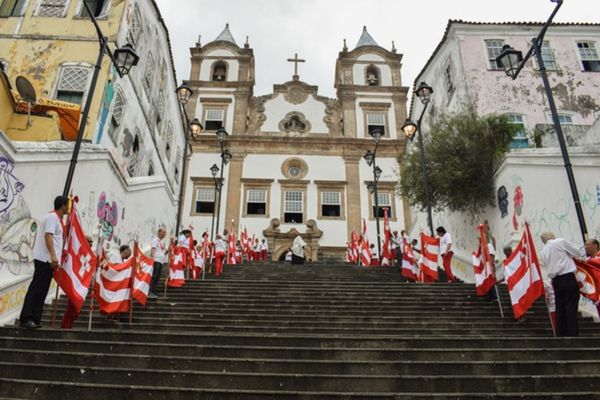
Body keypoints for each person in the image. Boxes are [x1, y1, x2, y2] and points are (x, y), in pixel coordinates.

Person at [19, 195, 68, 329]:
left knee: (42, 290)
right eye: (67, 205)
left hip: (48, 261)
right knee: (37, 288)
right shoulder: (52, 217)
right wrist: (53, 256)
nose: (68, 208)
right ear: (62, 205)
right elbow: (48, 235)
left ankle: (35, 318)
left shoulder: (56, 219)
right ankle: (27, 317)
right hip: (44, 259)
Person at [540, 232, 582, 337]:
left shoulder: (543, 251)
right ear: (552, 236)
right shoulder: (560, 242)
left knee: (560, 307)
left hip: (556, 281)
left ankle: (561, 332)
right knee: (571, 305)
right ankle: (572, 333)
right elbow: (577, 252)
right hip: (567, 276)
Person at [61, 234, 94, 330]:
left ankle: (69, 325)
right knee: (71, 308)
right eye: (89, 241)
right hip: (75, 284)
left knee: (76, 310)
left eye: (92, 241)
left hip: (83, 285)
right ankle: (65, 326)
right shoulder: (80, 251)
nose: (91, 243)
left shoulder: (90, 254)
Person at [149, 228, 168, 299]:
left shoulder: (162, 242)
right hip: (156, 260)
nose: (164, 234)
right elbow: (153, 249)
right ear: (159, 232)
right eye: (163, 232)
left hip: (161, 261)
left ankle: (153, 290)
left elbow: (165, 252)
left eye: (165, 233)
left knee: (157, 277)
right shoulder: (155, 240)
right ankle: (149, 291)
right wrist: (153, 258)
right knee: (154, 276)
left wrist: (169, 248)